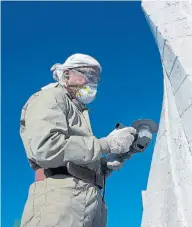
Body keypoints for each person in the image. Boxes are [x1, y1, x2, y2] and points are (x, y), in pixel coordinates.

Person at [19, 53, 136, 227]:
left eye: (96, 78)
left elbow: (76, 159)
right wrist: (106, 144)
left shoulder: (79, 110)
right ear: (67, 75)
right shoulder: (50, 97)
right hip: (60, 201)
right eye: (88, 74)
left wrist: (104, 165)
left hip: (89, 202)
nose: (93, 81)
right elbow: (47, 148)